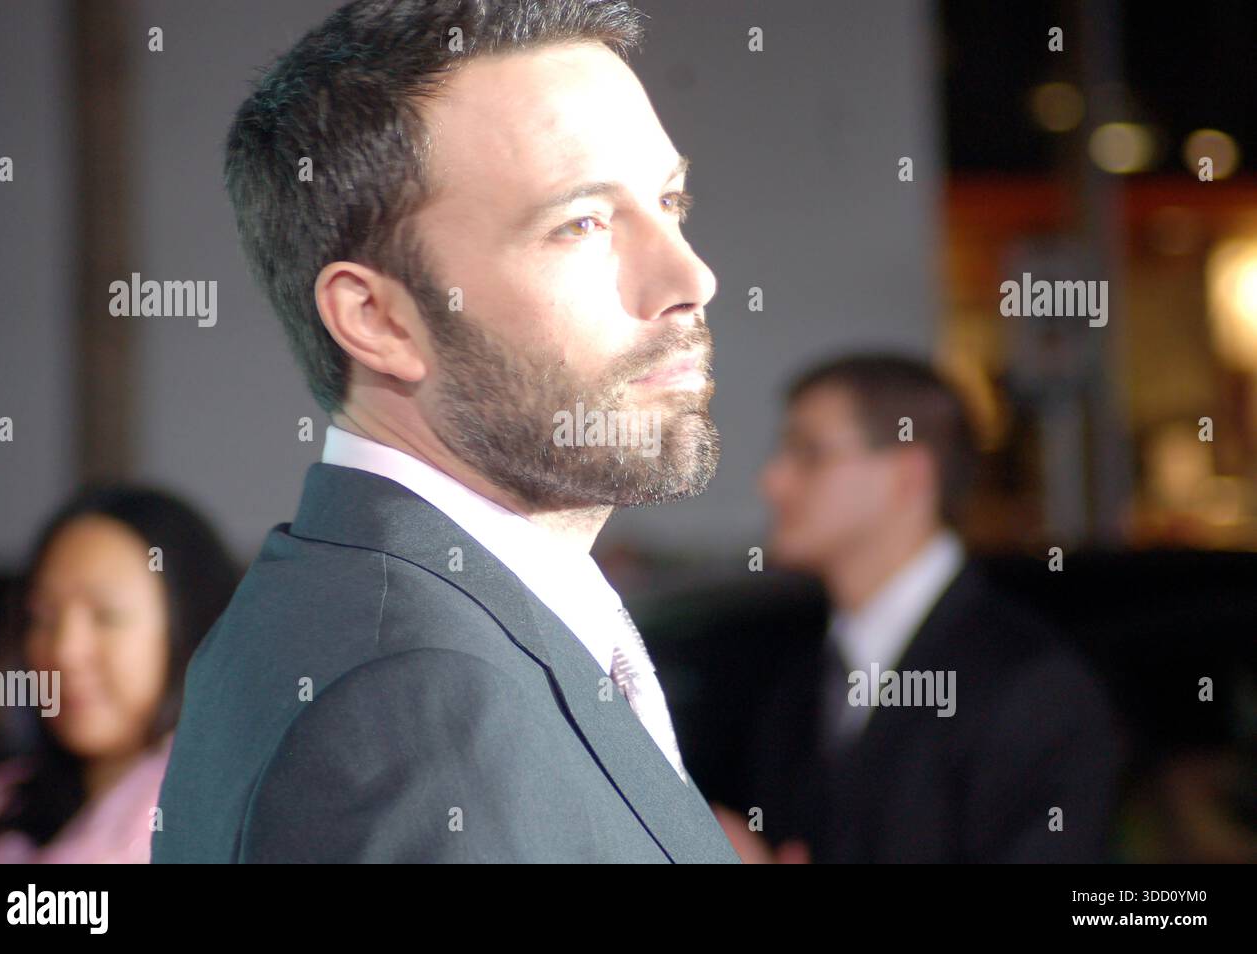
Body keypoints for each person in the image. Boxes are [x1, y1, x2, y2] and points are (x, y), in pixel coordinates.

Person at [153, 0, 736, 863]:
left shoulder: (352, 615)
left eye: (670, 200)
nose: (692, 276)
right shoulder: (413, 707)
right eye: (582, 224)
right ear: (378, 320)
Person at [715, 353, 1123, 862]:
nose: (772, 481)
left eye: (810, 452)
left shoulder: (1032, 687)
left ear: (909, 475)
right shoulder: (795, 683)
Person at [0, 486, 238, 863]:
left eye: (107, 616)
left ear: (192, 628)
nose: (64, 651)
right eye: (43, 618)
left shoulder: (218, 819)